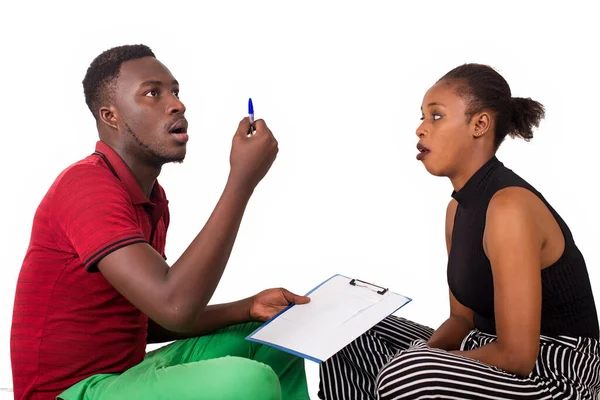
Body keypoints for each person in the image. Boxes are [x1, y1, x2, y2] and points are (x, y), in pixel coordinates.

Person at [10, 44, 311, 400]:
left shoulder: (152, 198)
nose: (177, 104)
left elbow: (150, 318)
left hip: (126, 376)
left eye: (175, 91)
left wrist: (247, 308)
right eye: (153, 93)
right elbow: (175, 307)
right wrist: (241, 181)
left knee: (276, 339)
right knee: (246, 380)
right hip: (69, 394)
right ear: (111, 116)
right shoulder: (86, 187)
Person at [318, 63, 600, 399]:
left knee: (407, 375)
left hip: (557, 373)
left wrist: (417, 365)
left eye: (436, 116)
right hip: (483, 346)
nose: (421, 129)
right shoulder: (456, 211)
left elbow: (517, 357)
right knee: (342, 330)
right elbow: (461, 321)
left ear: (480, 124)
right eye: (422, 117)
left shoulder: (510, 207)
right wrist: (420, 353)